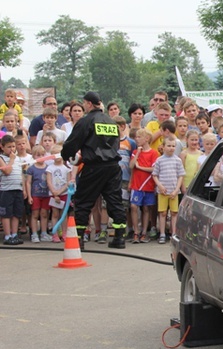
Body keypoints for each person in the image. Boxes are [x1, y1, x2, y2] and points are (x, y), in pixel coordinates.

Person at [61, 92, 128, 249]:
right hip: (112, 167)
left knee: (83, 202)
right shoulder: (111, 122)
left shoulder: (86, 121)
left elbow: (72, 143)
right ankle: (119, 238)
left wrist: (66, 155)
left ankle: (78, 240)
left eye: (84, 104)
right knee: (115, 201)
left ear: (89, 104)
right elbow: (115, 145)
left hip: (94, 167)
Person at [152, 136, 185, 244]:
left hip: (174, 192)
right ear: (163, 147)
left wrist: (176, 190)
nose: (171, 148)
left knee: (174, 213)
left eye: (173, 146)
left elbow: (180, 176)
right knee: (162, 213)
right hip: (163, 191)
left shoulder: (178, 160)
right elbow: (155, 175)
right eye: (169, 146)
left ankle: (174, 233)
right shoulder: (159, 160)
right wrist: (160, 186)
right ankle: (162, 233)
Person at [128, 129, 158, 244]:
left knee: (146, 208)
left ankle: (144, 232)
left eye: (139, 137)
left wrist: (140, 167)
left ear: (146, 139)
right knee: (134, 206)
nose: (137, 139)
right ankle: (136, 231)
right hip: (137, 184)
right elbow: (131, 166)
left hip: (148, 184)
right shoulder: (135, 151)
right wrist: (137, 155)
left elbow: (153, 169)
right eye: (136, 137)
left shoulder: (153, 153)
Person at [0, 134, 25, 245]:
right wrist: (11, 160)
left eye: (13, 147)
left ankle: (14, 234)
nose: (12, 149)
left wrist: (23, 188)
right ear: (2, 147)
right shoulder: (1, 158)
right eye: (9, 147)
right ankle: (7, 235)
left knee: (16, 213)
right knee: (6, 214)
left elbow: (21, 174)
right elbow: (7, 171)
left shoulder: (18, 159)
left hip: (17, 188)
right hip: (6, 190)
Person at [46, 144, 73, 243]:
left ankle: (65, 233)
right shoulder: (50, 168)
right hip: (53, 195)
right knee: (55, 214)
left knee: (64, 215)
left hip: (64, 194)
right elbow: (49, 181)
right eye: (55, 154)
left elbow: (68, 182)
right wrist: (54, 193)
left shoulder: (66, 168)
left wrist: (60, 192)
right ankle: (55, 234)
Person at [25, 145, 53, 243]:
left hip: (46, 195)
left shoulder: (49, 168)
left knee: (44, 214)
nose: (41, 157)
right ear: (33, 156)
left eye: (42, 155)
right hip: (35, 194)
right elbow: (28, 182)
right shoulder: (31, 169)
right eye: (38, 155)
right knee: (35, 214)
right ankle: (34, 233)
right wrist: (29, 196)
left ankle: (44, 233)